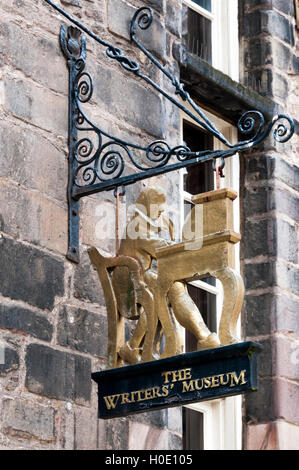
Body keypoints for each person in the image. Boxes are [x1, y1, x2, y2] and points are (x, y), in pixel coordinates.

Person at [112, 186, 220, 363]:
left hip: (140, 280)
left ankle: (135, 345)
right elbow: (161, 248)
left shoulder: (145, 224)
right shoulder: (137, 226)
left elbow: (162, 246)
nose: (161, 210)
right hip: (129, 286)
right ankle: (203, 337)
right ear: (147, 206)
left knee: (173, 287)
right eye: (158, 206)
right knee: (171, 286)